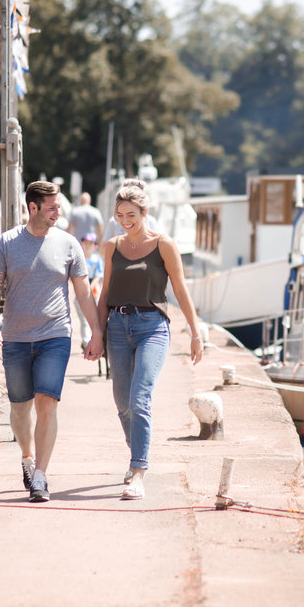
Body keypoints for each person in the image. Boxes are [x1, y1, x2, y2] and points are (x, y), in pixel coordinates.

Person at [0, 180, 104, 503]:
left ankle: (41, 476)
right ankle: (27, 457)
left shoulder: (69, 244)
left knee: (46, 405)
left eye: (59, 206)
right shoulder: (7, 243)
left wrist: (96, 332)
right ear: (33, 208)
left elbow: (82, 292)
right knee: (20, 410)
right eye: (52, 207)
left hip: (56, 336)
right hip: (17, 338)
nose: (58, 212)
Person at [96, 179, 203, 500]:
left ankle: (138, 471)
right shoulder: (112, 247)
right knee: (122, 403)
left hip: (153, 326)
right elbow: (104, 295)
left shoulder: (164, 245)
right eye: (120, 216)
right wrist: (96, 334)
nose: (125, 221)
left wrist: (196, 333)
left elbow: (181, 290)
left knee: (140, 398)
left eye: (131, 215)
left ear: (144, 213)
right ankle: (137, 451)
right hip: (117, 327)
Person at [73, 231, 104, 350]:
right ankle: (86, 341)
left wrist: (90, 287)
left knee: (92, 317)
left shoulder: (97, 260)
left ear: (95, 246)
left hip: (93, 292)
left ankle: (90, 340)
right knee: (83, 319)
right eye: (85, 243)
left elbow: (98, 275)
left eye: (90, 243)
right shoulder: (79, 258)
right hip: (80, 293)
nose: (87, 245)